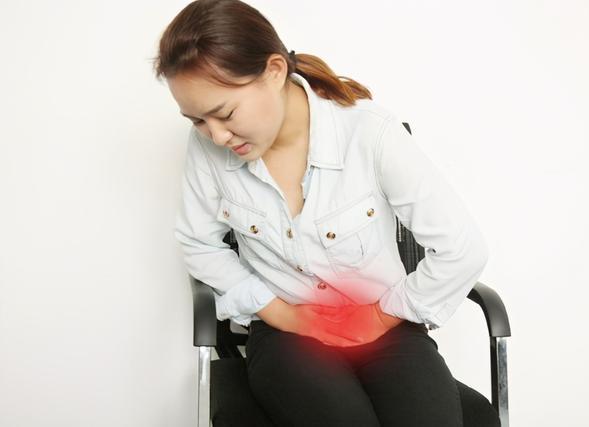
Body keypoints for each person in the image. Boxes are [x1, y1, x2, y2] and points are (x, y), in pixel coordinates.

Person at [153, 1, 489, 425]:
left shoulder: (369, 132)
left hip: (386, 330)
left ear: (274, 71)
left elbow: (463, 249)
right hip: (285, 338)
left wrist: (382, 315)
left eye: (225, 113)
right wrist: (280, 313)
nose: (216, 136)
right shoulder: (207, 150)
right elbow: (198, 243)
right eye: (198, 121)